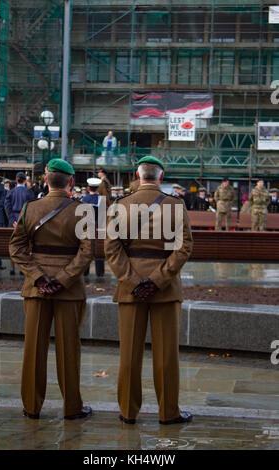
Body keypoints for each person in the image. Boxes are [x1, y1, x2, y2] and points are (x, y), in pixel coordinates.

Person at [105, 155, 193, 425]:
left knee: (129, 353)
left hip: (130, 289)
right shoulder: (175, 206)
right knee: (166, 355)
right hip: (165, 290)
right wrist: (158, 279)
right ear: (161, 177)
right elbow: (184, 247)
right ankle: (168, 412)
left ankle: (128, 412)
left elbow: (111, 249)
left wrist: (132, 280)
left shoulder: (120, 205)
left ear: (138, 175)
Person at [9, 158, 93, 420]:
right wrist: (64, 278)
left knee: (33, 348)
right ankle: (72, 407)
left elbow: (16, 248)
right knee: (69, 349)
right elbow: (87, 252)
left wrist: (39, 277)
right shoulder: (83, 210)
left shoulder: (30, 208)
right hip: (69, 291)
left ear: (46, 180)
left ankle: (32, 407)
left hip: (37, 289)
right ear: (71, 182)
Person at [5, 172, 35, 275]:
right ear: (25, 181)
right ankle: (23, 268)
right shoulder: (29, 192)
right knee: (25, 245)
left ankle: (12, 268)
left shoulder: (11, 192)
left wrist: (12, 220)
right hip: (24, 220)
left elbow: (7, 207)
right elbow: (32, 208)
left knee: (13, 245)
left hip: (13, 220)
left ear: (16, 179)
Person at [82, 177, 105, 277]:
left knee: (86, 249)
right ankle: (100, 273)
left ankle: (85, 272)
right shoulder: (101, 200)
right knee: (99, 250)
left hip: (85, 227)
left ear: (88, 188)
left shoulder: (83, 199)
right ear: (98, 188)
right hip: (97, 227)